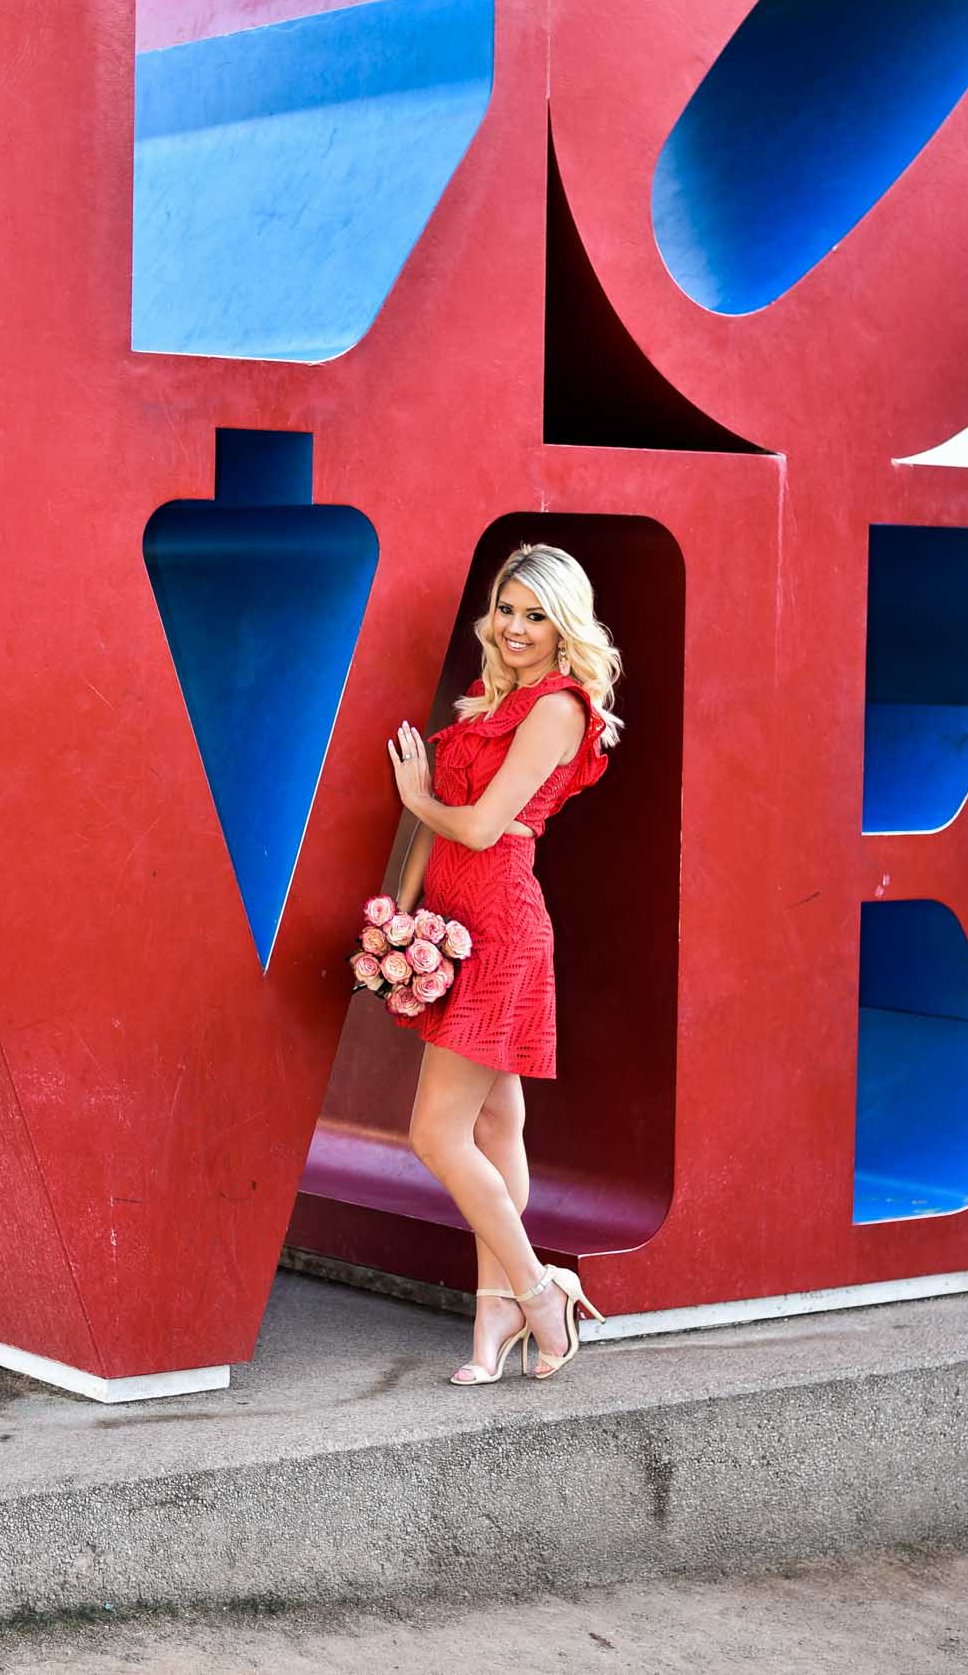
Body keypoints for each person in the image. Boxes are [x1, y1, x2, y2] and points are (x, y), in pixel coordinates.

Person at [386, 542, 623, 1383]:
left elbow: (479, 827)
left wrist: (418, 797)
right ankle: (492, 1324)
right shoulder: (491, 700)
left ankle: (539, 1289)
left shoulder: (557, 706)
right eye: (508, 609)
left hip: (502, 927)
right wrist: (399, 919)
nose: (517, 627)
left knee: (434, 1132)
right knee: (494, 1126)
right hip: (451, 921)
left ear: (564, 630)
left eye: (536, 615)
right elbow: (433, 831)